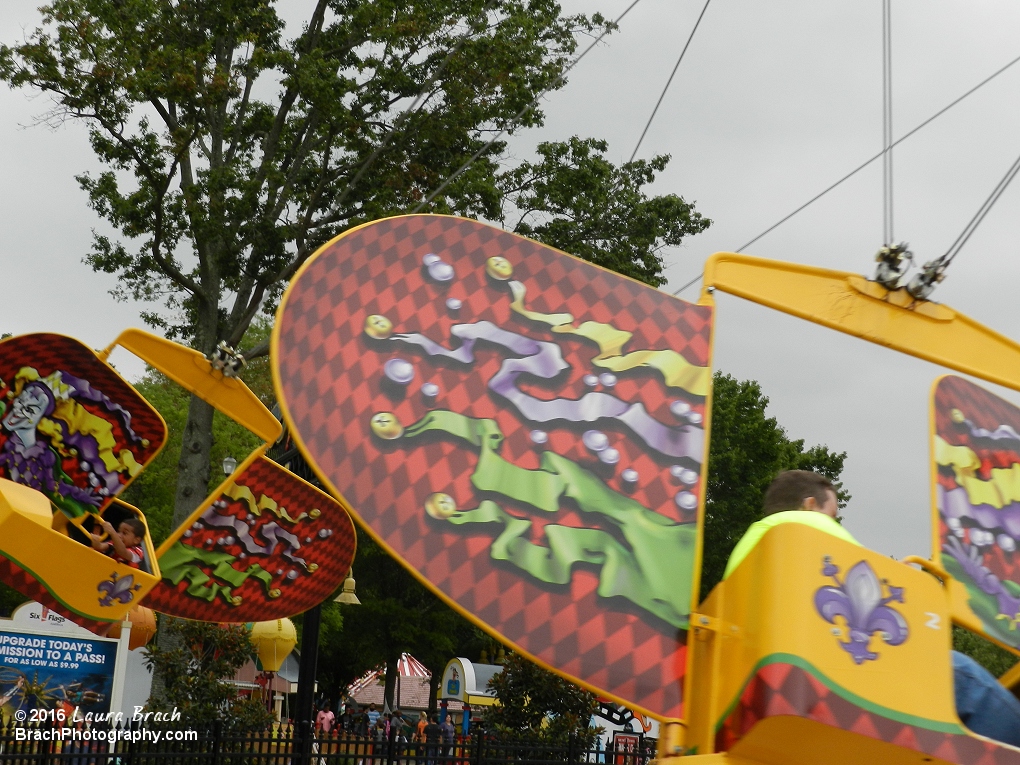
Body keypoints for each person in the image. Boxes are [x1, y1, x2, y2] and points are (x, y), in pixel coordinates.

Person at [727, 469, 1020, 748]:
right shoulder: (805, 525)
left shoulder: (746, 548)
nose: (834, 523)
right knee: (963, 676)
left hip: (752, 694)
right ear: (810, 504)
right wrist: (904, 582)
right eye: (834, 516)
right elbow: (864, 584)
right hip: (831, 679)